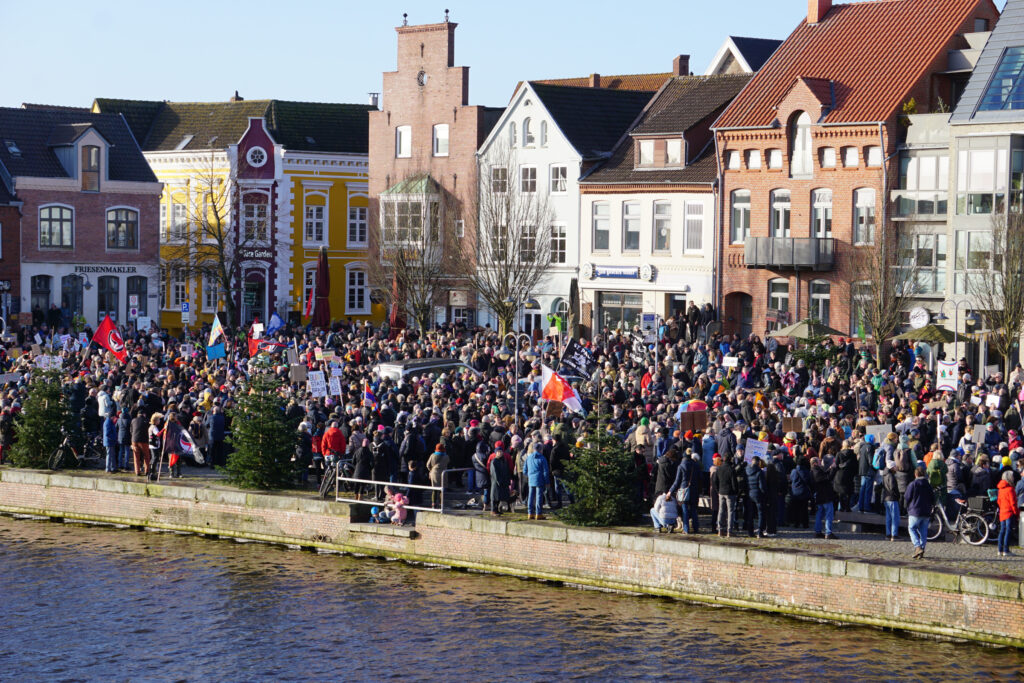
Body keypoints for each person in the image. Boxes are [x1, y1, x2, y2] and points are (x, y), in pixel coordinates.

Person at [904, 465, 936, 559]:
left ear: (915, 474)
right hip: (926, 512)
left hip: (915, 511)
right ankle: (922, 548)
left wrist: (907, 507)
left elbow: (907, 497)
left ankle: (917, 547)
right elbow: (933, 498)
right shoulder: (928, 485)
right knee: (923, 531)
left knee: (912, 528)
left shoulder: (913, 484)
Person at [523, 445, 550, 520]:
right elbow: (545, 471)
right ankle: (538, 513)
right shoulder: (542, 458)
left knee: (530, 496)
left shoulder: (529, 457)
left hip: (531, 479)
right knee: (539, 497)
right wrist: (547, 481)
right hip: (540, 479)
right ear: (540, 449)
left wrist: (529, 475)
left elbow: (524, 470)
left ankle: (530, 513)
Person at [996, 470, 1019, 557]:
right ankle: (1006, 550)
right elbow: (1013, 503)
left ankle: (1000, 549)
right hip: (1009, 512)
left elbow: (999, 501)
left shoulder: (1000, 489)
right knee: (1008, 531)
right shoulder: (1010, 489)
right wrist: (1016, 513)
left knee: (1002, 531)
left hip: (1002, 512)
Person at [714, 451, 736, 537]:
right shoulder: (731, 469)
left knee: (721, 511)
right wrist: (735, 492)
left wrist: (718, 490)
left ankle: (720, 530)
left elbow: (715, 481)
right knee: (730, 512)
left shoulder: (719, 468)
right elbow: (734, 483)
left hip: (721, 492)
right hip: (730, 493)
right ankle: (729, 531)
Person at [426, 443, 449, 509]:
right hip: (443, 474)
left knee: (434, 490)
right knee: (442, 490)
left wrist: (431, 470)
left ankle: (433, 504)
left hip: (434, 473)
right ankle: (441, 504)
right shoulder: (446, 456)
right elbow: (448, 462)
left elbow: (427, 465)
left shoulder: (432, 455)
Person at [882, 465, 900, 541]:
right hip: (892, 499)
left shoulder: (884, 475)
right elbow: (893, 488)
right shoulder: (891, 476)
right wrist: (897, 495)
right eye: (895, 467)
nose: (896, 468)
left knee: (888, 518)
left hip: (886, 498)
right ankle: (894, 534)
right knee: (895, 518)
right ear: (892, 468)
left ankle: (888, 534)